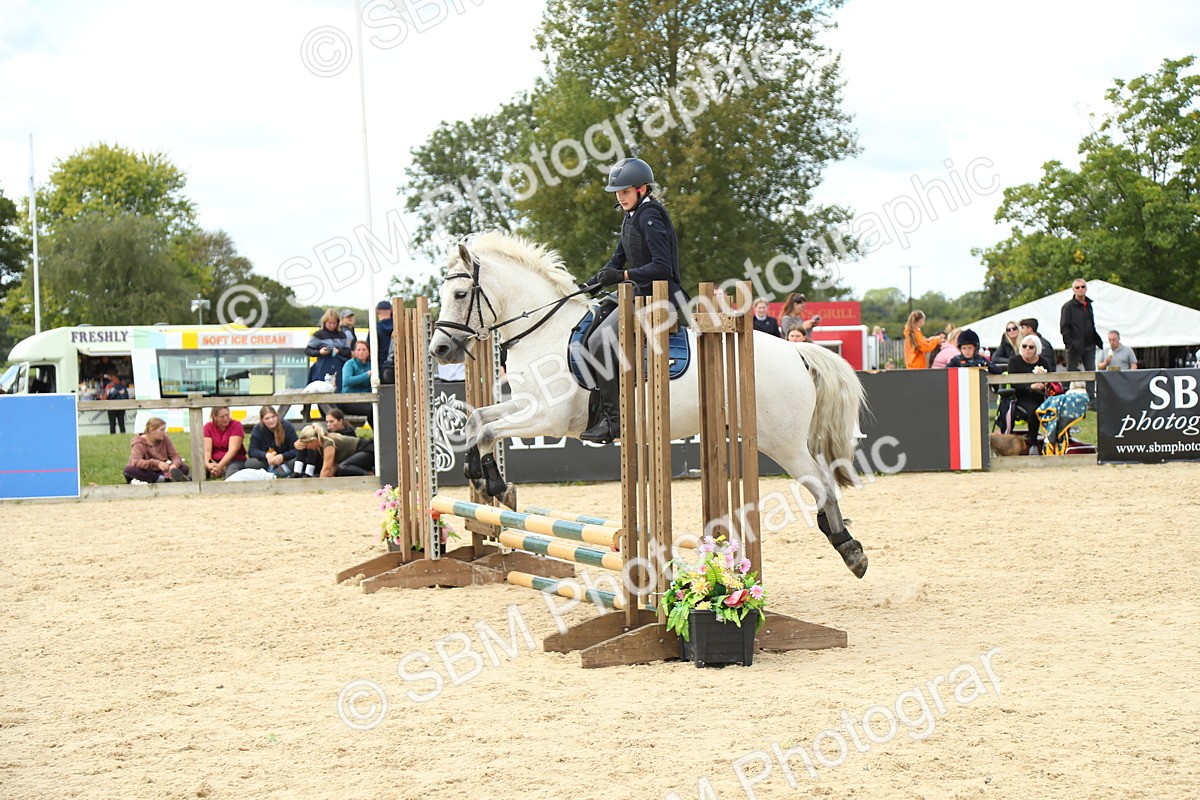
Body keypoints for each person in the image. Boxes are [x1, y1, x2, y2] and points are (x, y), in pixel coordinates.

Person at [581, 156, 688, 443]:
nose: (620, 196)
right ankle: (601, 410)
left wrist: (622, 274)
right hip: (638, 293)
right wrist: (590, 283)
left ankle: (615, 422)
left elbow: (662, 267)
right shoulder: (630, 216)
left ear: (642, 189)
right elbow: (616, 260)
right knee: (595, 321)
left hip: (660, 297)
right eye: (618, 192)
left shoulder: (651, 215)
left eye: (625, 191)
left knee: (599, 341)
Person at [1000, 335, 1053, 451]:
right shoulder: (1014, 361)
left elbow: (1050, 380)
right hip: (1022, 395)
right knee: (1034, 409)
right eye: (1024, 346)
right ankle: (1033, 444)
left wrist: (1043, 384)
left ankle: (1053, 441)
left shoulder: (1044, 362)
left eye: (1031, 347)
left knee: (1053, 407)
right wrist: (1030, 387)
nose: (1027, 349)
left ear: (1037, 349)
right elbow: (1014, 383)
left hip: (1042, 395)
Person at [300, 309, 354, 421]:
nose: (332, 325)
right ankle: (321, 415)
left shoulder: (342, 335)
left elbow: (348, 352)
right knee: (321, 392)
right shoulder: (318, 335)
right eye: (329, 323)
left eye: (334, 323)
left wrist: (338, 350)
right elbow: (308, 350)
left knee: (337, 393)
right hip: (323, 367)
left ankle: (337, 417)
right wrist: (320, 352)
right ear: (324, 322)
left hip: (338, 367)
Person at [1060, 278, 1102, 406]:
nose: (1080, 289)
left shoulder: (1088, 305)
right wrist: (1070, 344)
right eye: (1077, 287)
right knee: (1071, 371)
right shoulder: (1068, 306)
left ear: (1086, 288)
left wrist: (1096, 339)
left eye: (1082, 287)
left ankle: (1091, 400)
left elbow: (1091, 324)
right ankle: (1064, 397)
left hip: (1089, 344)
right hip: (1074, 345)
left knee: (1090, 371)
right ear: (1073, 290)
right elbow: (1064, 327)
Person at [291, 425, 374, 478]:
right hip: (361, 452)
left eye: (307, 444)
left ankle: (368, 475)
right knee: (340, 469)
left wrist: (319, 486)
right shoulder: (322, 445)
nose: (308, 448)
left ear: (313, 441)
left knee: (343, 467)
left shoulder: (328, 443)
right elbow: (332, 466)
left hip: (367, 450)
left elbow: (326, 468)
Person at [124, 417, 190, 484]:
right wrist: (157, 463)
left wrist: (174, 465)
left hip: (161, 470)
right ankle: (163, 479)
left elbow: (175, 455)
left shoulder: (165, 439)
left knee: (184, 467)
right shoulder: (138, 442)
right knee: (129, 470)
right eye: (162, 430)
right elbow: (136, 461)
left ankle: (161, 478)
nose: (164, 432)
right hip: (146, 470)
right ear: (151, 430)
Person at [244, 405, 299, 477]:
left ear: (277, 416)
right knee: (250, 463)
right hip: (267, 462)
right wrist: (266, 455)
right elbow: (252, 451)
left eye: (273, 417)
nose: (271, 420)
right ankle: (275, 472)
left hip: (285, 461)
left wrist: (283, 456)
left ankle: (274, 473)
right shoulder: (257, 429)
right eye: (267, 418)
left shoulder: (287, 426)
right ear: (262, 420)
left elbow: (296, 449)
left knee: (297, 461)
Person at [203, 406, 247, 479]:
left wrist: (220, 466)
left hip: (234, 459)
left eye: (227, 415)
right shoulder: (208, 427)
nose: (226, 419)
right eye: (222, 417)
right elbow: (207, 450)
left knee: (231, 471)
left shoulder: (236, 425)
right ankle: (188, 481)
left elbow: (233, 450)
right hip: (214, 460)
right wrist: (208, 464)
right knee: (200, 469)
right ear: (215, 417)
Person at [338, 340, 375, 418]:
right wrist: (366, 375)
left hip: (367, 399)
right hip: (349, 400)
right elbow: (347, 380)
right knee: (372, 411)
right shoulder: (349, 364)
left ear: (368, 352)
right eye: (358, 350)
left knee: (379, 409)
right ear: (354, 352)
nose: (361, 352)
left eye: (364, 349)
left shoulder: (372, 365)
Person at [375, 300, 395, 384]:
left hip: (381, 366)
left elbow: (370, 348)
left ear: (377, 311)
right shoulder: (398, 326)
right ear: (390, 311)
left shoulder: (375, 328)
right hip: (397, 365)